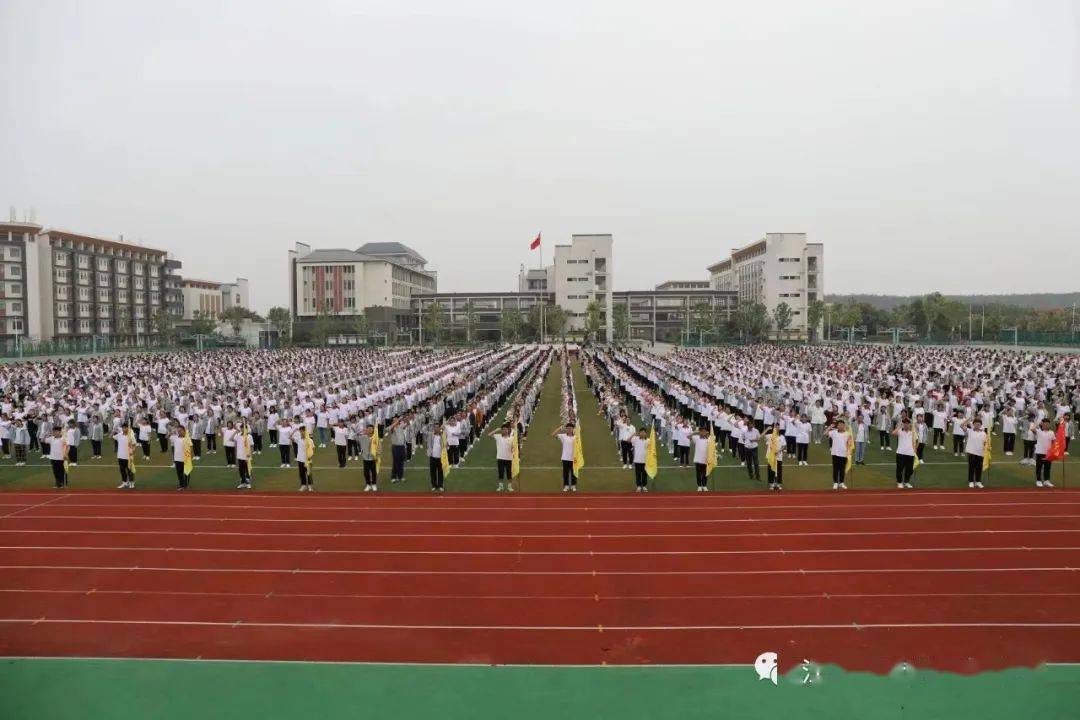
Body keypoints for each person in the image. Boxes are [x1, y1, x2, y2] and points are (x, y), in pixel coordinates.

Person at [963, 419, 988, 489]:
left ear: (981, 425)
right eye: (976, 424)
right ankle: (971, 481)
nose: (977, 425)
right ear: (973, 424)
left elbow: (986, 443)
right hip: (971, 452)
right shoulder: (969, 431)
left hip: (980, 453)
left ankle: (978, 482)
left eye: (979, 424)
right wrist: (968, 420)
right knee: (971, 468)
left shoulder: (984, 433)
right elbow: (961, 425)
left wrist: (987, 448)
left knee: (979, 468)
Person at [826, 419, 851, 490]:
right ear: (837, 426)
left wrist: (849, 450)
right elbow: (825, 434)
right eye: (839, 425)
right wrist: (830, 427)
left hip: (844, 454)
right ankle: (835, 482)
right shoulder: (834, 432)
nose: (841, 426)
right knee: (835, 469)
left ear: (844, 426)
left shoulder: (847, 434)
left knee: (842, 469)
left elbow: (849, 443)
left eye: (842, 425)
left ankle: (841, 482)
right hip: (835, 454)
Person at [893, 417, 917, 489]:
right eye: (904, 423)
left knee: (909, 469)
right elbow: (893, 433)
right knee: (900, 469)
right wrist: (900, 426)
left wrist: (915, 451)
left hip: (910, 454)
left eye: (907, 423)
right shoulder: (900, 431)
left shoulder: (912, 432)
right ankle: (899, 482)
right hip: (900, 453)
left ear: (909, 424)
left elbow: (915, 442)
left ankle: (906, 482)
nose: (906, 425)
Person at [553, 423, 578, 492]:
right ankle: (566, 486)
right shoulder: (563, 436)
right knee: (565, 473)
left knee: (574, 473)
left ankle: (573, 486)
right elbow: (553, 434)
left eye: (571, 428)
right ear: (566, 429)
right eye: (568, 428)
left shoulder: (576, 437)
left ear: (573, 429)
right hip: (565, 458)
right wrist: (560, 428)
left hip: (574, 458)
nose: (569, 429)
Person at [491, 423, 515, 492]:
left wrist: (513, 448)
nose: (505, 430)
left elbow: (514, 447)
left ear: (508, 430)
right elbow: (489, 434)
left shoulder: (511, 438)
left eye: (506, 429)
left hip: (509, 458)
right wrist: (496, 430)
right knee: (501, 472)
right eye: (503, 429)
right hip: (500, 458)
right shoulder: (498, 436)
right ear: (502, 430)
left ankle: (509, 487)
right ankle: (501, 486)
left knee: (509, 473)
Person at [1033, 419, 1056, 488]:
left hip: (1048, 453)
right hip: (1040, 452)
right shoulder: (1039, 431)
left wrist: (1054, 450)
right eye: (1044, 423)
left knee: (1047, 467)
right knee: (1039, 467)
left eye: (1047, 424)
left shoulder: (1051, 432)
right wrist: (1039, 423)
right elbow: (1032, 429)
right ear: (1042, 424)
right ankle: (1038, 480)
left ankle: (1046, 481)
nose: (1046, 425)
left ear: (1049, 424)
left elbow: (1054, 441)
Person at [293, 425, 314, 491]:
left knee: (309, 473)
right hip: (300, 459)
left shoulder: (310, 440)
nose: (301, 433)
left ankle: (310, 486)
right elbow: (290, 437)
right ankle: (303, 485)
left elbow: (313, 449)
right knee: (301, 474)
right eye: (300, 431)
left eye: (302, 431)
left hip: (307, 460)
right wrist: (294, 431)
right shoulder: (298, 439)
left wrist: (310, 457)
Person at [172, 425, 192, 490]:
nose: (179, 432)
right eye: (178, 431)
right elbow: (166, 437)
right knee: (179, 473)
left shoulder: (187, 438)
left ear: (184, 431)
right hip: (177, 459)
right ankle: (181, 485)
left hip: (185, 458)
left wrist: (189, 457)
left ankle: (185, 485)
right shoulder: (175, 438)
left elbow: (190, 447)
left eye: (180, 430)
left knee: (186, 473)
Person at [114, 423, 134, 489]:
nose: (124, 429)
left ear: (127, 428)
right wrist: (113, 430)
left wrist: (132, 452)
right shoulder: (119, 435)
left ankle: (131, 483)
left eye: (125, 428)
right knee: (122, 471)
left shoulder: (131, 436)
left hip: (128, 457)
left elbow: (134, 444)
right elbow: (111, 436)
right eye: (123, 428)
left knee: (129, 471)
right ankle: (124, 483)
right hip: (120, 456)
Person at [427, 421, 446, 492]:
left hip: (440, 457)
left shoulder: (442, 435)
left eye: (437, 427)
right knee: (433, 472)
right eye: (435, 427)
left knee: (440, 472)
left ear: (439, 428)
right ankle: (434, 485)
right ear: (433, 428)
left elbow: (445, 444)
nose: (436, 428)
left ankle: (440, 485)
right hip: (432, 457)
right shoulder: (430, 435)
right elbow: (424, 430)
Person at [691, 427, 711, 492]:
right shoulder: (696, 438)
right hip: (698, 459)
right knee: (698, 474)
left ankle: (704, 486)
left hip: (705, 459)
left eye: (704, 431)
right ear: (700, 432)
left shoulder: (708, 440)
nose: (703, 433)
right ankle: (699, 486)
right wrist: (696, 432)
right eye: (702, 431)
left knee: (705, 474)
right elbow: (688, 436)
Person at [388, 417, 408, 484]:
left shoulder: (400, 426)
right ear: (393, 422)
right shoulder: (392, 428)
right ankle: (393, 477)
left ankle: (400, 476)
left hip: (402, 447)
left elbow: (407, 424)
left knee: (401, 463)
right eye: (394, 420)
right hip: (395, 447)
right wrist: (398, 420)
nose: (396, 421)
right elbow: (390, 428)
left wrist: (407, 418)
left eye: (396, 420)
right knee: (395, 463)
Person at [765, 424, 783, 491]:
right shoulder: (770, 436)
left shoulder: (782, 437)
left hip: (779, 457)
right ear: (773, 428)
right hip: (771, 457)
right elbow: (761, 437)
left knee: (778, 471)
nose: (777, 428)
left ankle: (778, 484)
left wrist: (778, 451)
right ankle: (771, 484)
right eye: (776, 427)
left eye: (778, 427)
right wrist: (767, 429)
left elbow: (784, 446)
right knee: (771, 471)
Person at [630, 428, 649, 492]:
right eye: (641, 432)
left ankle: (644, 486)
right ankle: (638, 486)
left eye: (644, 432)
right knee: (638, 474)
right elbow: (628, 440)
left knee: (644, 474)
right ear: (639, 433)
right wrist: (633, 434)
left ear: (646, 433)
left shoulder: (648, 440)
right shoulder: (636, 439)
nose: (642, 433)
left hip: (645, 460)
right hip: (637, 460)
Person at [360, 425, 378, 492]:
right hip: (365, 459)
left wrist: (377, 456)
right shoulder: (362, 437)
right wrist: (362, 431)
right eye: (368, 429)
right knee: (366, 473)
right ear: (366, 429)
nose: (370, 430)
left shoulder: (375, 438)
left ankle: (374, 484)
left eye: (371, 429)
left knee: (374, 473)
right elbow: (353, 437)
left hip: (373, 459)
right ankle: (368, 484)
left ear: (373, 430)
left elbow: (379, 448)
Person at [235, 425, 253, 489]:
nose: (242, 429)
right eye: (241, 428)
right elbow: (232, 439)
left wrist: (250, 455)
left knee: (247, 470)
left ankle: (248, 483)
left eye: (244, 428)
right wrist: (235, 432)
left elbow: (251, 446)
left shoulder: (249, 436)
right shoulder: (238, 435)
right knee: (241, 470)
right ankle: (243, 483)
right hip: (240, 456)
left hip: (246, 456)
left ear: (246, 429)